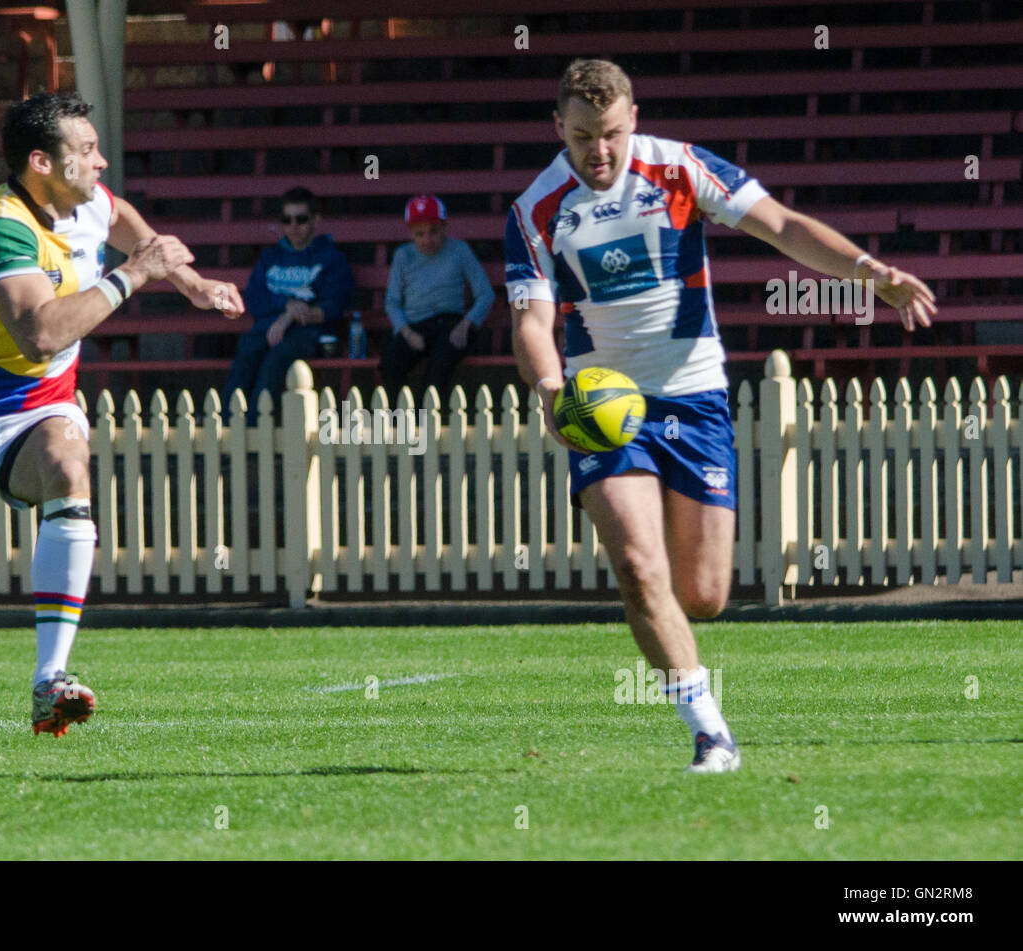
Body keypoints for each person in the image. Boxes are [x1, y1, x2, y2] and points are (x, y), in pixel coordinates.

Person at [507, 59, 936, 773]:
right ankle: (710, 730)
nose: (599, 152)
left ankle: (676, 638)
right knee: (639, 567)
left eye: (611, 133)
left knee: (704, 595)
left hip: (696, 393)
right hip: (602, 405)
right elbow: (530, 318)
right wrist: (551, 385)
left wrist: (870, 271)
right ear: (559, 129)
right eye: (582, 136)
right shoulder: (535, 207)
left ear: (633, 119)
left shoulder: (680, 169)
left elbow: (783, 225)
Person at [0, 91, 245, 774]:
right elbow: (39, 334)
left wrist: (192, 283)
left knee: (68, 465)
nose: (101, 160)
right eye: (86, 150)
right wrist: (135, 276)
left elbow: (123, 220)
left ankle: (49, 681)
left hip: (42, 406)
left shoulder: (85, 198)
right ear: (41, 163)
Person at [223, 187, 354, 422]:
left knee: (276, 359)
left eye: (301, 219)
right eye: (287, 220)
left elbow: (334, 305)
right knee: (246, 353)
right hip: (268, 327)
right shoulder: (269, 257)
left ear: (316, 220)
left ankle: (254, 430)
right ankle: (227, 426)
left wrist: (290, 316)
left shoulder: (332, 258)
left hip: (309, 332)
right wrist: (287, 305)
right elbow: (253, 298)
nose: (293, 225)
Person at [379, 195, 495, 403]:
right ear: (410, 234)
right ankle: (396, 424)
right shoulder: (403, 256)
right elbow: (392, 302)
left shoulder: (459, 250)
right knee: (389, 363)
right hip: (415, 326)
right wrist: (406, 332)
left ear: (444, 227)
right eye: (419, 234)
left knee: (438, 368)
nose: (427, 239)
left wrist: (466, 325)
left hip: (450, 323)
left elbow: (485, 294)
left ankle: (425, 423)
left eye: (433, 232)